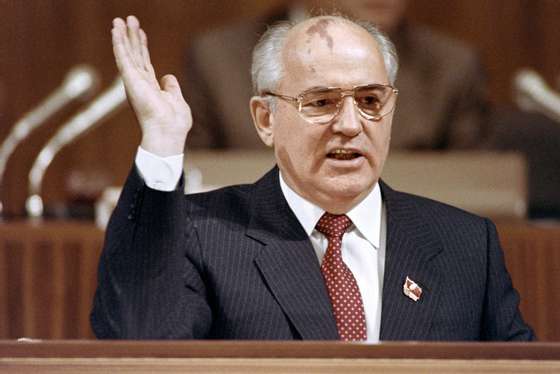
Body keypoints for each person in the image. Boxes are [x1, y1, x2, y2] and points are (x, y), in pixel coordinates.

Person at [91, 14, 534, 341]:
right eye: (321, 102)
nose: (349, 123)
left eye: (369, 99)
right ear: (265, 118)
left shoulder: (467, 245)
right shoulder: (204, 234)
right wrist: (163, 142)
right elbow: (137, 342)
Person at [185, 0, 489, 150]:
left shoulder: (451, 66)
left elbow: (481, 192)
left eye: (370, 99)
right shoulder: (217, 59)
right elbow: (195, 184)